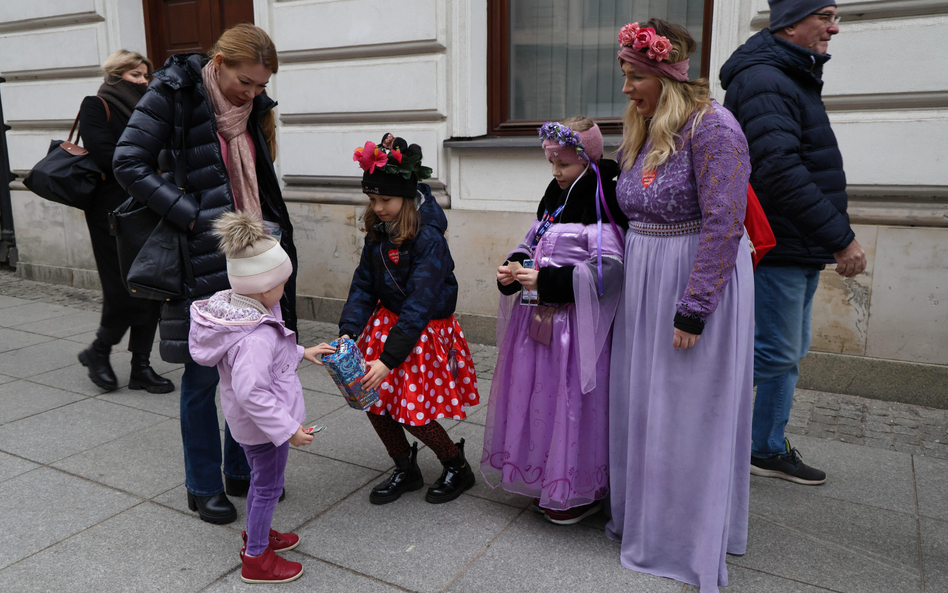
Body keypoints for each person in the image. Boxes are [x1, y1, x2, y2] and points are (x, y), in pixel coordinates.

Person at [113, 24, 299, 525]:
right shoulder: (174, 91)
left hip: (247, 257)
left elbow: (258, 179)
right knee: (201, 378)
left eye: (262, 85)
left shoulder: (248, 107)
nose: (255, 93)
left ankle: (242, 470)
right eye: (248, 82)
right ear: (219, 63)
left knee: (249, 373)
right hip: (196, 254)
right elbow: (126, 161)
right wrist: (191, 215)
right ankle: (203, 485)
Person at [607, 20, 754, 592]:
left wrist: (694, 307)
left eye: (635, 75)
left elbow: (725, 220)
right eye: (624, 74)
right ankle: (650, 521)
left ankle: (684, 539)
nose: (626, 88)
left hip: (694, 280)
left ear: (666, 75)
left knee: (688, 412)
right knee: (648, 405)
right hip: (647, 280)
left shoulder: (714, 128)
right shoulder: (643, 129)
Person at [720, 0, 866, 485]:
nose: (834, 28)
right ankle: (693, 426)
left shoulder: (789, 74)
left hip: (798, 242)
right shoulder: (765, 79)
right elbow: (779, 171)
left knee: (789, 352)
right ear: (789, 24)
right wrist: (840, 238)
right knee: (775, 352)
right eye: (824, 16)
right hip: (779, 243)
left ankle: (764, 447)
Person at [481, 117, 627, 525]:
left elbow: (609, 270)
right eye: (552, 164)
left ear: (585, 159)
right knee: (540, 402)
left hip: (573, 330)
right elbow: (532, 241)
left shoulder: (599, 198)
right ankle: (547, 477)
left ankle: (579, 490)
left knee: (568, 404)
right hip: (539, 324)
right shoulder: (556, 193)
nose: (555, 172)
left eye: (563, 164)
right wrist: (514, 267)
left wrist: (546, 280)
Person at [189, 212, 331, 583]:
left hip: (256, 426)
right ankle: (256, 558)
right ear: (266, 287)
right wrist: (287, 430)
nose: (285, 289)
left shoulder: (247, 311)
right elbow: (252, 388)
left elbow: (273, 361)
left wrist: (303, 352)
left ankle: (258, 532)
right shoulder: (255, 336)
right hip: (265, 429)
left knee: (259, 483)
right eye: (283, 283)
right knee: (268, 486)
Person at [339, 135, 480, 505]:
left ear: (405, 196)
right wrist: (347, 333)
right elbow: (363, 286)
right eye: (372, 199)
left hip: (422, 332)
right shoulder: (378, 232)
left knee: (412, 409)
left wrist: (388, 359)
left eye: (385, 199)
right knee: (372, 400)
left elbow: (421, 302)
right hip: (388, 325)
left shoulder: (428, 237)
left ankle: (456, 465)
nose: (378, 207)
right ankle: (405, 466)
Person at [76, 50, 173, 394]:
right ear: (117, 75)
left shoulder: (152, 108)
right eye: (135, 75)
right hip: (110, 213)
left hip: (147, 206)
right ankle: (98, 351)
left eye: (146, 75)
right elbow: (107, 155)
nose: (144, 81)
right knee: (122, 288)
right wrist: (147, 158)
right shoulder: (96, 104)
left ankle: (140, 368)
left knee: (151, 285)